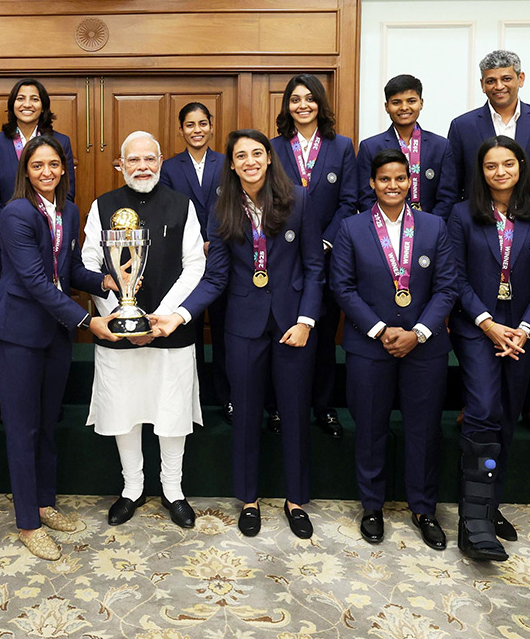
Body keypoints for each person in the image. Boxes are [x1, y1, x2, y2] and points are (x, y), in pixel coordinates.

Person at [158, 129, 323, 540]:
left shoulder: (298, 199)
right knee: (246, 413)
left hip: (292, 325)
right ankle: (248, 499)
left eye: (256, 153)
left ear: (268, 158)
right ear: (230, 164)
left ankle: (296, 500)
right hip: (243, 326)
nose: (249, 161)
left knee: (295, 412)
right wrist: (180, 315)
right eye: (240, 156)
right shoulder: (222, 208)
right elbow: (214, 278)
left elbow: (315, 268)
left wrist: (306, 321)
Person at [0, 134, 121, 560]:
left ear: (64, 169)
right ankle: (28, 522)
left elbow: (67, 270)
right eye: (37, 165)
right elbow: (34, 280)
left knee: (46, 425)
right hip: (20, 336)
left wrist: (103, 280)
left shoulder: (67, 209)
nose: (46, 172)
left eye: (53, 165)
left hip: (55, 336)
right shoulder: (15, 213)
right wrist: (87, 320)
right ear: (25, 171)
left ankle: (45, 503)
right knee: (22, 429)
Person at [330, 149, 456, 550]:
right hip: (370, 346)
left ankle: (423, 508)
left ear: (410, 181)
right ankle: (372, 505)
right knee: (370, 428)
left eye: (400, 178)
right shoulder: (351, 229)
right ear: (372, 183)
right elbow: (342, 287)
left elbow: (447, 286)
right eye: (384, 178)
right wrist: (381, 329)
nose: (393, 185)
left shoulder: (435, 227)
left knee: (423, 429)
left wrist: (417, 332)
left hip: (424, 346)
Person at [82, 131, 205, 530]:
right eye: (133, 160)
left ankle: (174, 489)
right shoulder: (103, 206)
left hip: (170, 332)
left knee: (171, 413)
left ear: (161, 160)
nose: (142, 167)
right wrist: (120, 316)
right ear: (120, 164)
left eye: (149, 159)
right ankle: (132, 487)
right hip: (120, 334)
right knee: (125, 412)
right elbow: (89, 267)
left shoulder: (182, 204)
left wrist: (161, 318)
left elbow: (195, 266)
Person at [446, 49, 530, 440]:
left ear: (520, 78)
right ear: (482, 84)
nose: (498, 86)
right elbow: (452, 185)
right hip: (482, 232)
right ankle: (479, 403)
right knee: (484, 334)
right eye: (490, 80)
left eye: (505, 78)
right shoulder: (464, 126)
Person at [447, 136, 530, 561]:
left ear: (520, 167)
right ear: (481, 172)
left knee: (508, 414)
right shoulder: (461, 215)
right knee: (482, 410)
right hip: (477, 325)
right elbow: (455, 276)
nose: (500, 172)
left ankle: (489, 507)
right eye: (491, 166)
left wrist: (524, 329)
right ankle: (472, 520)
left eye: (508, 164)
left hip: (524, 329)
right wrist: (489, 324)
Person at [270, 74, 357, 438]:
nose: (302, 105)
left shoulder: (342, 147)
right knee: (281, 332)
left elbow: (350, 201)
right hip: (284, 258)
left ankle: (324, 407)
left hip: (328, 257)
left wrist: (323, 242)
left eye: (309, 98)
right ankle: (276, 408)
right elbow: (267, 201)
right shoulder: (271, 147)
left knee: (321, 334)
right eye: (295, 99)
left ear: (320, 104)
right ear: (287, 105)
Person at [159, 103, 230, 420]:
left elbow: (236, 207)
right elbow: (167, 213)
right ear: (181, 129)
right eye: (190, 124)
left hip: (223, 256)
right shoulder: (170, 168)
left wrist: (216, 240)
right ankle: (192, 402)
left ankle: (227, 398)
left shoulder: (228, 164)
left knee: (224, 331)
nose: (197, 130)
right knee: (188, 333)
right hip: (185, 262)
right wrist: (194, 243)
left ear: (212, 126)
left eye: (203, 123)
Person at [356, 74, 457, 218]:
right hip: (383, 230)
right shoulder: (370, 147)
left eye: (411, 101)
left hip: (430, 231)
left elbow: (448, 196)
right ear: (386, 106)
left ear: (421, 103)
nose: (404, 107)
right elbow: (365, 197)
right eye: (396, 102)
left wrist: (431, 226)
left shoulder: (441, 146)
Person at [0, 78, 76, 220]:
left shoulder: (61, 142)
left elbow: (67, 192)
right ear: (12, 104)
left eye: (34, 99)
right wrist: (8, 223)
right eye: (20, 98)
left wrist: (50, 221)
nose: (27, 104)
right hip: (8, 228)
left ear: (43, 106)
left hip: (50, 227)